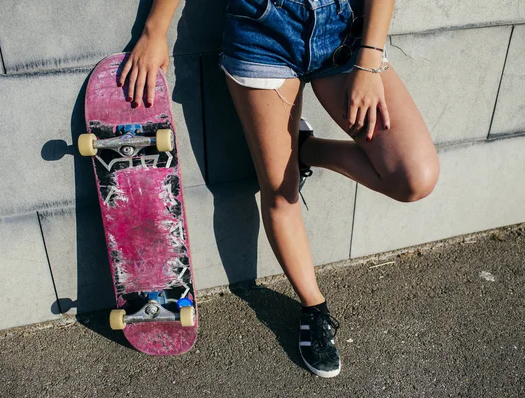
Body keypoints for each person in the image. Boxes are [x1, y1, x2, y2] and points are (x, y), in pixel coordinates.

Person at [119, 0, 439, 378]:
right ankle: (313, 307)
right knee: (280, 191)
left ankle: (304, 148)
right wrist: (155, 31)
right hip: (261, 29)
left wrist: (369, 59)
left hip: (343, 27)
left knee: (414, 177)